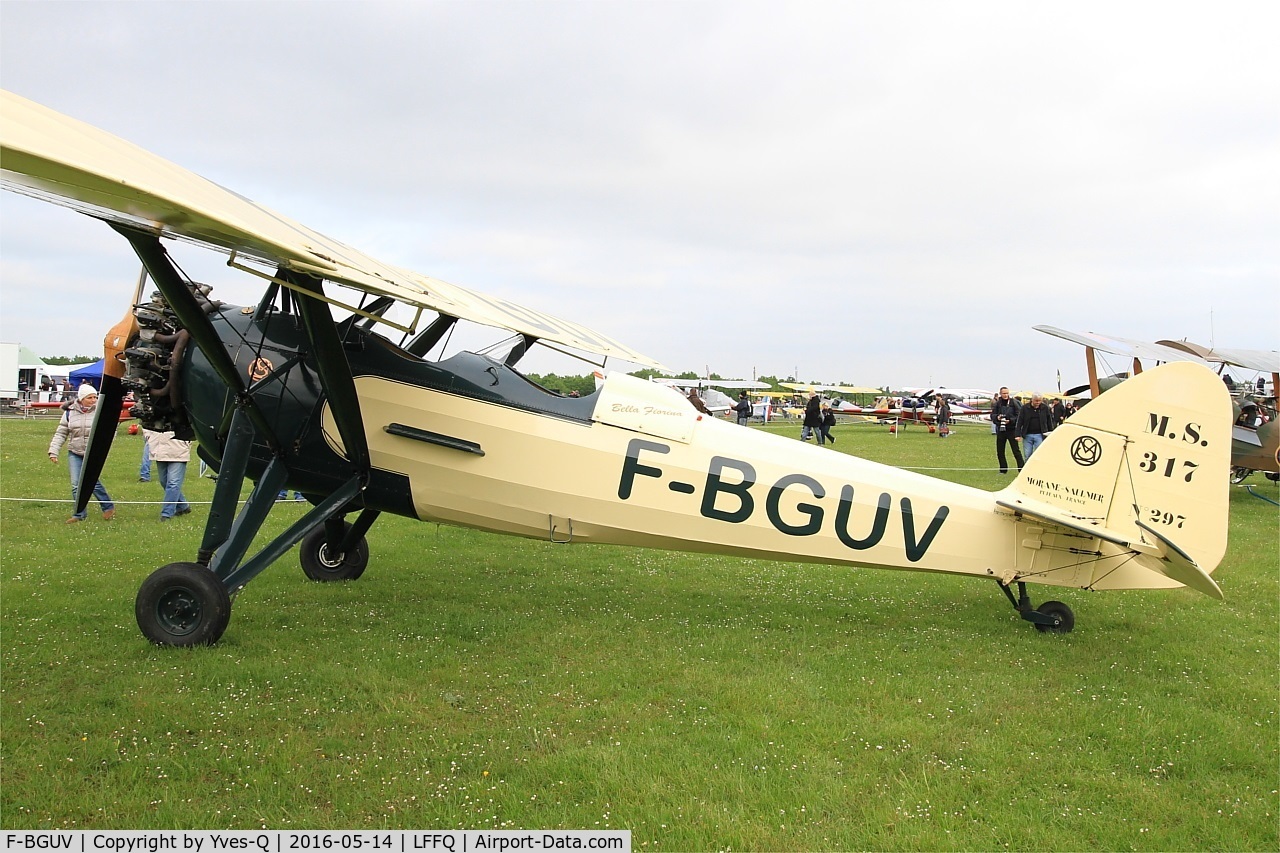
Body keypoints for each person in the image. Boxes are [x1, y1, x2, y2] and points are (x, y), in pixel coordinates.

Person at [48, 383, 115, 523]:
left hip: (93, 452)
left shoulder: (100, 411)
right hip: (75, 451)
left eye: (95, 397)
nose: (93, 400)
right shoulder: (69, 412)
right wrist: (53, 451)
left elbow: (109, 431)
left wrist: (103, 447)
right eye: (90, 397)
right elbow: (61, 433)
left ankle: (108, 506)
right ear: (81, 399)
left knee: (92, 482)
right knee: (76, 484)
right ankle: (79, 514)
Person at [143, 428, 192, 520]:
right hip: (159, 449)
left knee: (173, 483)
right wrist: (149, 436)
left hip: (179, 449)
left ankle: (167, 514)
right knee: (164, 481)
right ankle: (183, 506)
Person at [990, 386, 1024, 473]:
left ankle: (1021, 469)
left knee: (1016, 451)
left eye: (1007, 393)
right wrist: (997, 418)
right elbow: (992, 415)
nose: (1006, 395)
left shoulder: (1014, 403)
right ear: (1000, 394)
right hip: (1001, 430)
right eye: (1004, 393)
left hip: (1011, 430)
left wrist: (1011, 420)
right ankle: (1003, 470)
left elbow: (1019, 416)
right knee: (1000, 451)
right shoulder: (997, 403)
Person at [1016, 393, 1057, 459]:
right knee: (1027, 455)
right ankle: (1028, 469)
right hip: (1027, 435)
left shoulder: (1045, 408)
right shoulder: (1025, 408)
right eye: (1036, 400)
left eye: (1039, 400)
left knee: (1039, 454)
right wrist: (1017, 434)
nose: (1038, 402)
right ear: (1032, 400)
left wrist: (1050, 432)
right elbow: (1020, 421)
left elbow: (1049, 420)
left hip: (1040, 435)